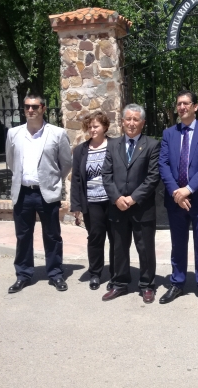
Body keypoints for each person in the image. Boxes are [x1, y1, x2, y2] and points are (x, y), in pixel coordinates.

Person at [158, 90, 198, 307]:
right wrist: (177, 192)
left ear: (195, 106)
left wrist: (189, 189)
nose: (182, 107)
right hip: (176, 200)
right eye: (179, 104)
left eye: (186, 103)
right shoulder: (169, 134)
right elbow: (163, 164)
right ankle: (177, 282)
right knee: (178, 244)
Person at [5, 93, 72, 293]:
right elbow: (11, 161)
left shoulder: (57, 133)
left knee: (52, 235)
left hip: (47, 193)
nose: (30, 110)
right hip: (23, 193)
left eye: (35, 107)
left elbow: (66, 163)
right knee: (23, 236)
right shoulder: (13, 134)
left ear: (43, 108)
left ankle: (55, 274)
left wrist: (51, 180)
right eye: (27, 107)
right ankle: (23, 275)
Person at [101, 104, 161, 304]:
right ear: (122, 121)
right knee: (119, 247)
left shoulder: (152, 145)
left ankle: (147, 285)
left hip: (142, 207)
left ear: (142, 123)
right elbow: (106, 175)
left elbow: (153, 177)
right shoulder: (112, 145)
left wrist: (133, 198)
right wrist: (116, 198)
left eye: (136, 119)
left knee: (145, 248)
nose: (132, 123)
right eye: (128, 119)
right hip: (117, 207)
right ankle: (120, 283)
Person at [70, 111, 113, 291]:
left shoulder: (114, 145)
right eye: (90, 127)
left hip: (113, 201)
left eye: (96, 126)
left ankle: (117, 273)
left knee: (116, 238)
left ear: (104, 127)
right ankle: (95, 273)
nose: (92, 130)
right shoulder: (81, 149)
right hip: (92, 202)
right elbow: (77, 179)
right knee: (95, 238)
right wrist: (76, 206)